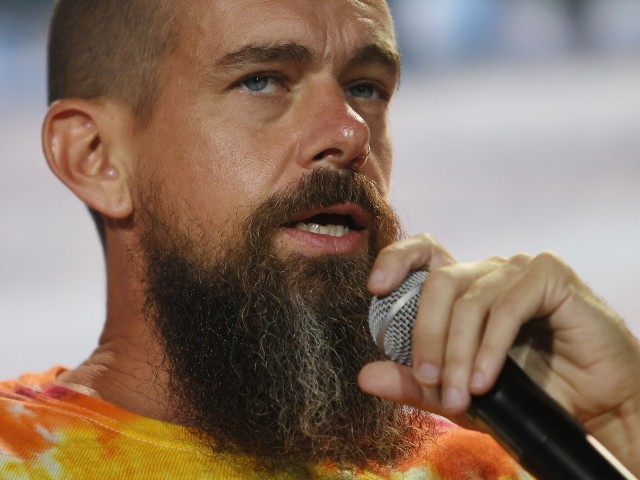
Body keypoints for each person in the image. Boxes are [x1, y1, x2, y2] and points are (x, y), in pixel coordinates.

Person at [1, 0, 639, 478]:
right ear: (95, 156)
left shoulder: (485, 463)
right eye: (263, 80)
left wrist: (626, 419)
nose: (351, 132)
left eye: (366, 88)